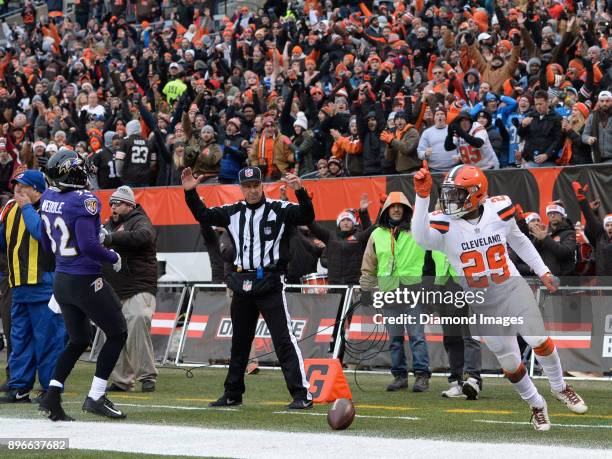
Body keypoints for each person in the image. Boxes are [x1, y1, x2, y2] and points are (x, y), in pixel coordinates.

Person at [412, 161, 587, 430]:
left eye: (457, 193)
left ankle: (560, 386)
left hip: (511, 287)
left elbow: (519, 240)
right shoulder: (444, 223)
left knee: (538, 338)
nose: (450, 200)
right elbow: (421, 238)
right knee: (511, 363)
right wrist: (422, 198)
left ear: (476, 193)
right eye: (449, 193)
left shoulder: (499, 209)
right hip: (481, 301)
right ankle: (536, 404)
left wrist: (542, 271)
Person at [182, 166, 314, 409]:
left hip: (270, 281)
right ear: (241, 188)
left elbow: (306, 216)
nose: (252, 190)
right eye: (247, 186)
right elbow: (203, 215)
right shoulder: (233, 212)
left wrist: (300, 191)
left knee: (283, 339)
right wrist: (190, 192)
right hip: (242, 282)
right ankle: (233, 393)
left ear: (262, 185)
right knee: (240, 342)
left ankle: (301, 394)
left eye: (256, 185)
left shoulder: (279, 209)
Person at [38, 149, 127, 421]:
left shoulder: (47, 196)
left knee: (79, 339)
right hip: (84, 278)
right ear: (73, 173)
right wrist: (113, 255)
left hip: (62, 280)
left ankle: (52, 395)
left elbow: (45, 242)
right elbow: (88, 246)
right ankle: (96, 396)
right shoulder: (84, 200)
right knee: (117, 332)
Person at [0, 171, 65, 403]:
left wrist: (27, 207)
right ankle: (20, 387)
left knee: (48, 339)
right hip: (18, 285)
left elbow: (42, 234)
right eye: (15, 185)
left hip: (43, 285)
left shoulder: (48, 207)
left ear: (37, 189)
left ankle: (50, 389)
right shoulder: (9, 209)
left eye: (23, 186)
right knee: (19, 340)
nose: (17, 189)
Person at [360, 192, 432, 393]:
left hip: (413, 290)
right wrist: (366, 289)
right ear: (386, 210)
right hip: (389, 292)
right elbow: (369, 265)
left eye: (401, 207)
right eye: (393, 207)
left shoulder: (417, 231)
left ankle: (421, 376)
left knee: (417, 336)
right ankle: (400, 376)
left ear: (407, 210)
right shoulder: (376, 235)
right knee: (395, 338)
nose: (397, 209)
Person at [100, 186, 158, 393]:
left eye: (118, 203)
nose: (113, 207)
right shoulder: (106, 226)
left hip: (139, 285)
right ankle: (121, 380)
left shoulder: (140, 220)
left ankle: (147, 376)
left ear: (130, 205)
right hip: (115, 288)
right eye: (112, 203)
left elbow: (144, 237)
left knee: (136, 322)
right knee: (113, 332)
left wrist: (111, 238)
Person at [529, 202, 576, 278]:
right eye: (550, 213)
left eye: (556, 213)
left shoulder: (569, 233)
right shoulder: (544, 232)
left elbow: (565, 253)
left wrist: (546, 238)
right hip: (545, 278)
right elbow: (533, 252)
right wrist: (537, 240)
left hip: (564, 279)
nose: (552, 216)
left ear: (562, 214)